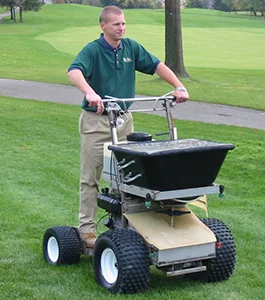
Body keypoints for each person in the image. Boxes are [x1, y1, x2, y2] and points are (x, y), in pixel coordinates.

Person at [67, 5, 189, 248]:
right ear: (103, 26)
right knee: (91, 176)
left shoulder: (130, 47)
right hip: (97, 120)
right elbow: (74, 71)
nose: (121, 28)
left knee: (126, 175)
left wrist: (179, 86)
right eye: (116, 24)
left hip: (124, 119)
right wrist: (91, 93)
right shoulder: (93, 50)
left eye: (123, 23)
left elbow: (156, 65)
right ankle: (87, 230)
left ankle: (123, 224)